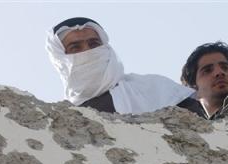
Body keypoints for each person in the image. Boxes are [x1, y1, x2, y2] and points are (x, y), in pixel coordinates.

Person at [46, 17, 203, 115]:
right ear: (60, 59)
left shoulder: (155, 88)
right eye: (75, 48)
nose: (88, 52)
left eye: (94, 44)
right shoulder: (64, 118)